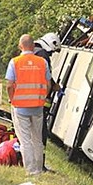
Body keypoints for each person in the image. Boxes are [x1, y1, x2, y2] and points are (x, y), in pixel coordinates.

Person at [6, 34, 51, 176]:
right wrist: (42, 97)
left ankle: (31, 171)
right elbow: (49, 83)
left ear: (20, 46)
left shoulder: (15, 62)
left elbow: (9, 85)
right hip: (38, 106)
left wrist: (12, 99)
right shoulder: (42, 62)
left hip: (20, 106)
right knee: (37, 139)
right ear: (33, 46)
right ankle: (39, 168)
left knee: (25, 140)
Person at [34, 32, 61, 168]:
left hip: (25, 101)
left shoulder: (31, 51)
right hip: (39, 101)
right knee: (40, 134)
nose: (51, 55)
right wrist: (55, 86)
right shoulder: (43, 54)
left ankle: (30, 162)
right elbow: (46, 77)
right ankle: (40, 165)